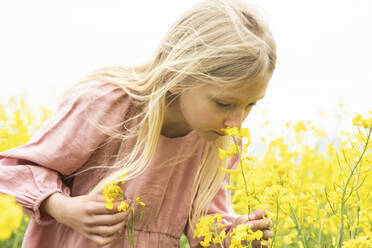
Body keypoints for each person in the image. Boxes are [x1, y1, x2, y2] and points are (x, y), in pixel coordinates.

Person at [0, 0, 276, 247]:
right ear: (179, 76)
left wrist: (237, 236)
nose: (237, 123)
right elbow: (14, 171)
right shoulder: (107, 104)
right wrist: (62, 207)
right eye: (223, 103)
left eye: (251, 104)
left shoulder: (221, 141)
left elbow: (203, 229)